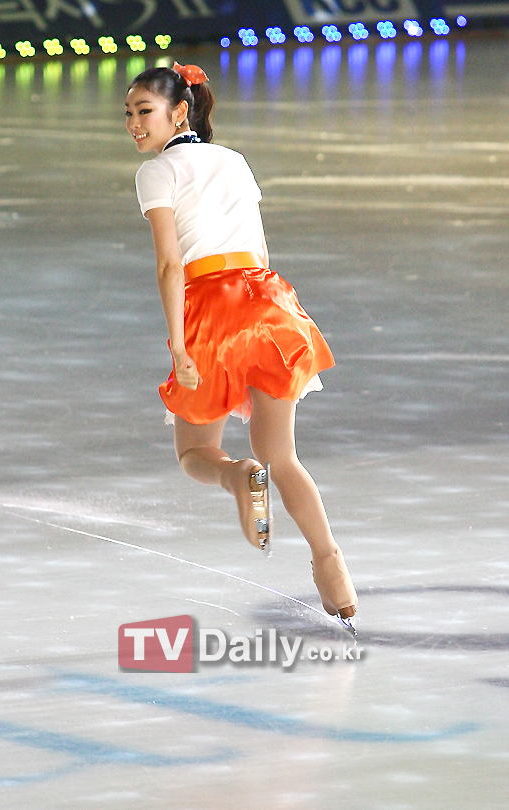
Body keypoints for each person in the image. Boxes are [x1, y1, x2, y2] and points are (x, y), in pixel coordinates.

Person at [125, 61, 357, 628]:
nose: (134, 124)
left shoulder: (156, 173)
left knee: (194, 453)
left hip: (211, 311)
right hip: (271, 303)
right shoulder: (233, 160)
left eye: (144, 111)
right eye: (128, 114)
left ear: (180, 112)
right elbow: (260, 248)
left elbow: (170, 265)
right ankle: (332, 571)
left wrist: (180, 346)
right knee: (283, 456)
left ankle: (236, 476)